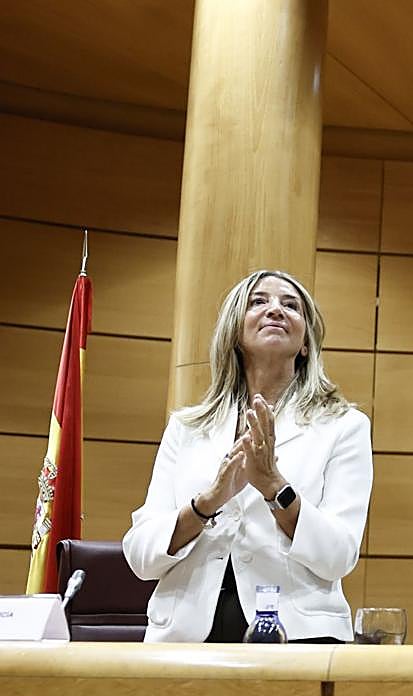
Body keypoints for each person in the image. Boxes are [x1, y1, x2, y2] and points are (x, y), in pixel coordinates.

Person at [123, 269, 372, 643]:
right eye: (258, 302)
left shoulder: (343, 426)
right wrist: (207, 503)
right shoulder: (187, 428)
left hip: (299, 636)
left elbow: (339, 555)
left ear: (306, 344)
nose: (276, 310)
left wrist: (274, 487)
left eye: (291, 306)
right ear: (234, 335)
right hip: (185, 638)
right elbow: (141, 556)